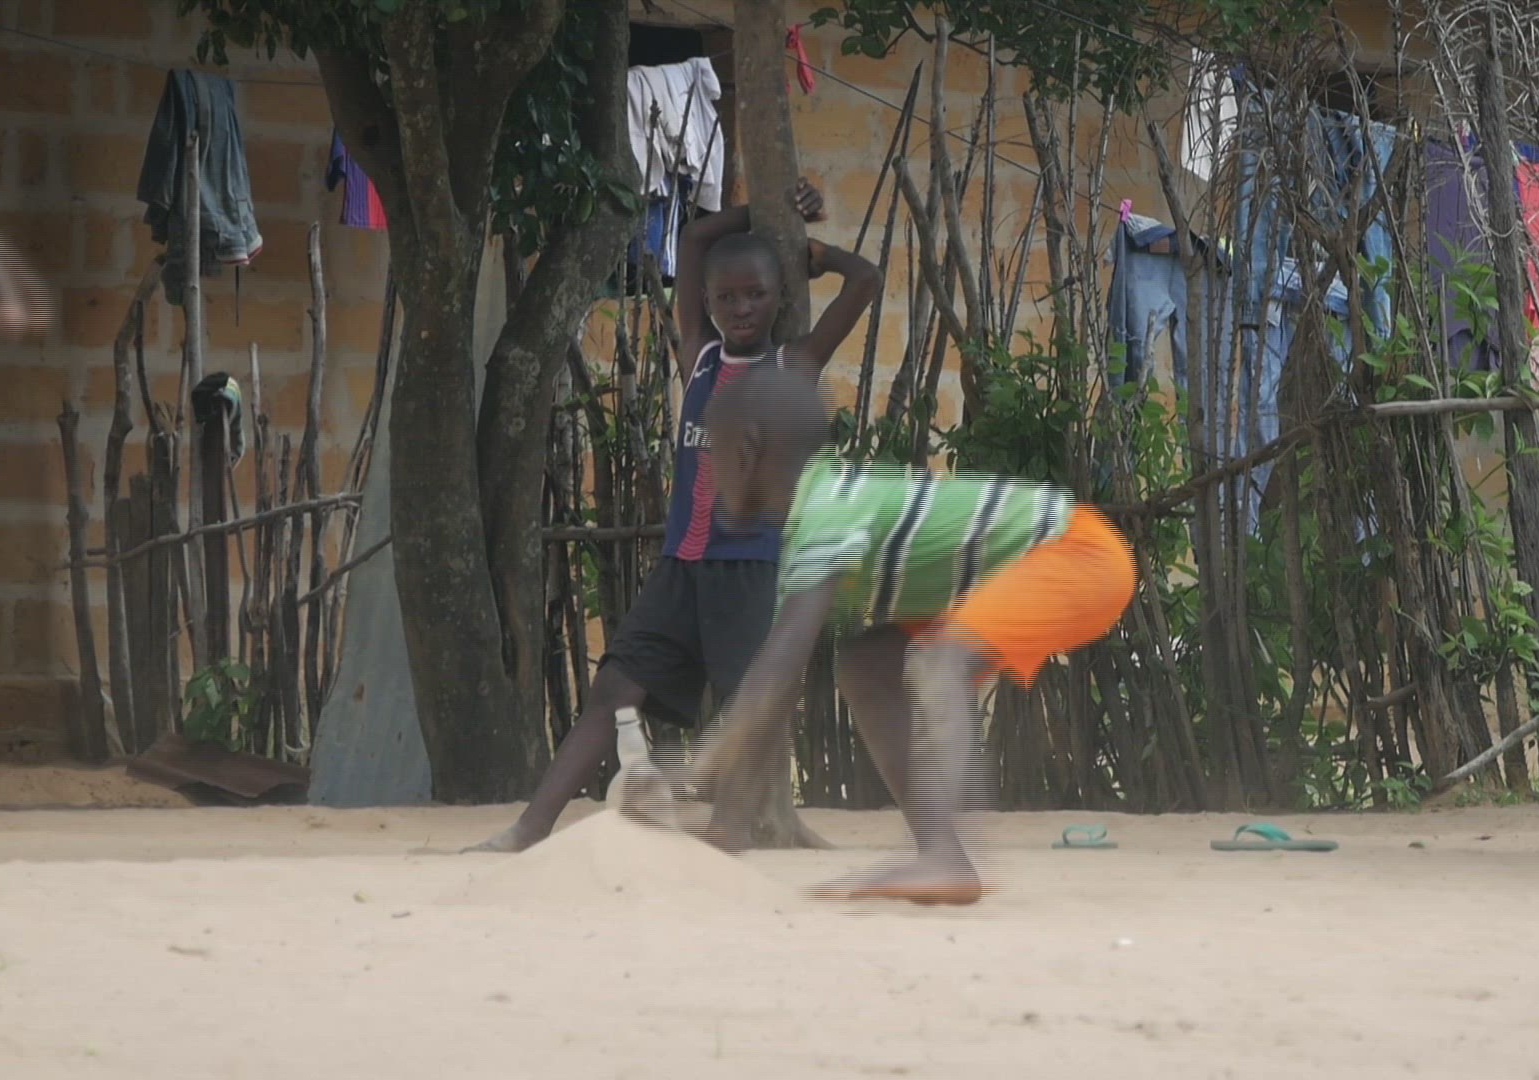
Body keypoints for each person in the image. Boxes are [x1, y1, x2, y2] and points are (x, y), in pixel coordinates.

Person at [468, 179, 882, 853]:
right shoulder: (700, 356)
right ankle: (527, 829)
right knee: (611, 692)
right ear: (707, 303)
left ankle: (729, 842)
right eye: (727, 297)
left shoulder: (793, 364)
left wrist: (818, 252)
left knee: (745, 712)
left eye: (755, 295)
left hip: (747, 570)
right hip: (679, 569)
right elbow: (693, 238)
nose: (741, 308)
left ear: (779, 297)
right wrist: (763, 208)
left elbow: (866, 280)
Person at [690, 366, 1138, 905]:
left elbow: (774, 673)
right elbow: (775, 691)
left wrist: (699, 761)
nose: (707, 474)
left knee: (941, 662)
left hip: (1078, 555)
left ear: (746, 451)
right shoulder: (810, 525)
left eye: (711, 453)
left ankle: (944, 858)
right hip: (1033, 567)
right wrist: (726, 827)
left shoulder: (826, 508)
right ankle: (943, 855)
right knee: (865, 664)